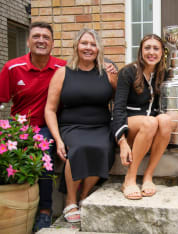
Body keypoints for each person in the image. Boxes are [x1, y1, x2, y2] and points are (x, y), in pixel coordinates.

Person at [0, 22, 67, 231]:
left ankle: (45, 211)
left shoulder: (62, 67)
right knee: (1, 157)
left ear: (52, 44)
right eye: (36, 36)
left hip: (47, 127)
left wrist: (109, 66)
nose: (41, 40)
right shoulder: (12, 67)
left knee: (44, 151)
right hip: (19, 128)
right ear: (28, 41)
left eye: (46, 37)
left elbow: (87, 70)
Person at [44, 28, 117, 223]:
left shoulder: (108, 73)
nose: (88, 48)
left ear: (99, 49)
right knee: (78, 148)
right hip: (71, 126)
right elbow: (50, 109)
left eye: (93, 44)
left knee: (103, 148)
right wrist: (58, 140)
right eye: (84, 43)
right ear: (76, 46)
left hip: (101, 126)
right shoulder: (62, 73)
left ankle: (84, 196)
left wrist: (116, 73)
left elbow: (121, 100)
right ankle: (70, 200)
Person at [112, 34, 175, 200]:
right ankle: (129, 179)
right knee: (150, 122)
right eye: (147, 48)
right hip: (130, 124)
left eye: (156, 48)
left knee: (165, 119)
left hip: (151, 127)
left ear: (162, 53)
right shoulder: (128, 72)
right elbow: (117, 109)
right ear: (141, 51)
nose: (151, 52)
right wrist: (122, 141)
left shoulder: (163, 74)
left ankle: (148, 176)